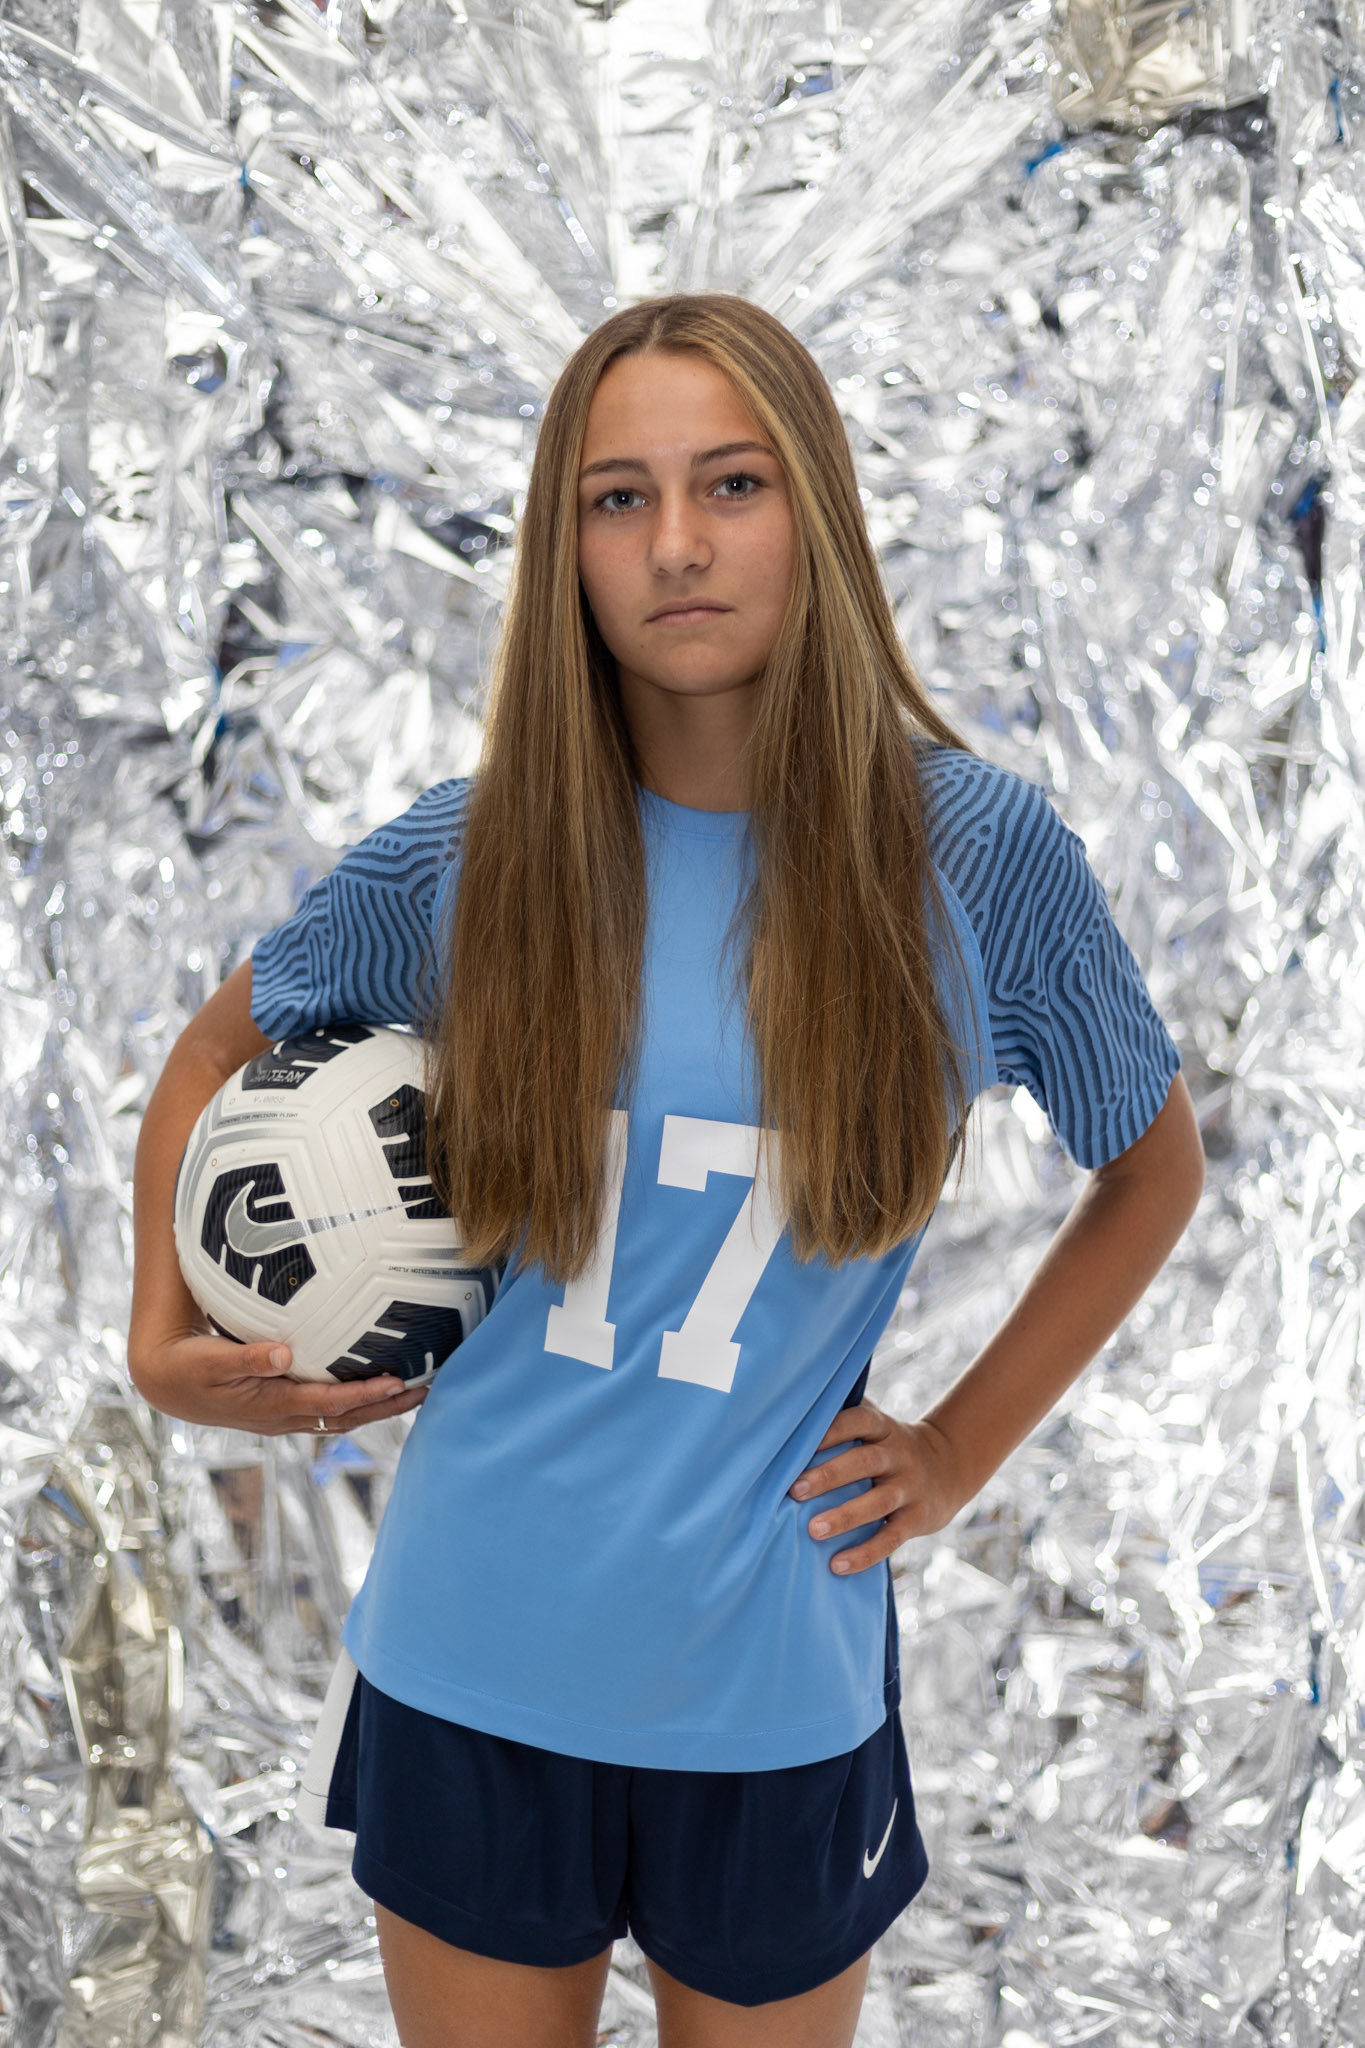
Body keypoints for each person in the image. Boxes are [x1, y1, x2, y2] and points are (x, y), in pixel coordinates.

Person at [128, 293, 1205, 2048]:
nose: (677, 544)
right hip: (469, 1662)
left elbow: (1150, 1171)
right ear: (565, 547)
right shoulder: (474, 858)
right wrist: (157, 1332)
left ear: (818, 514)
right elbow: (206, 1054)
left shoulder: (976, 859)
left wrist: (951, 1451)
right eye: (616, 499)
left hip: (767, 1694)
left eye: (731, 483)